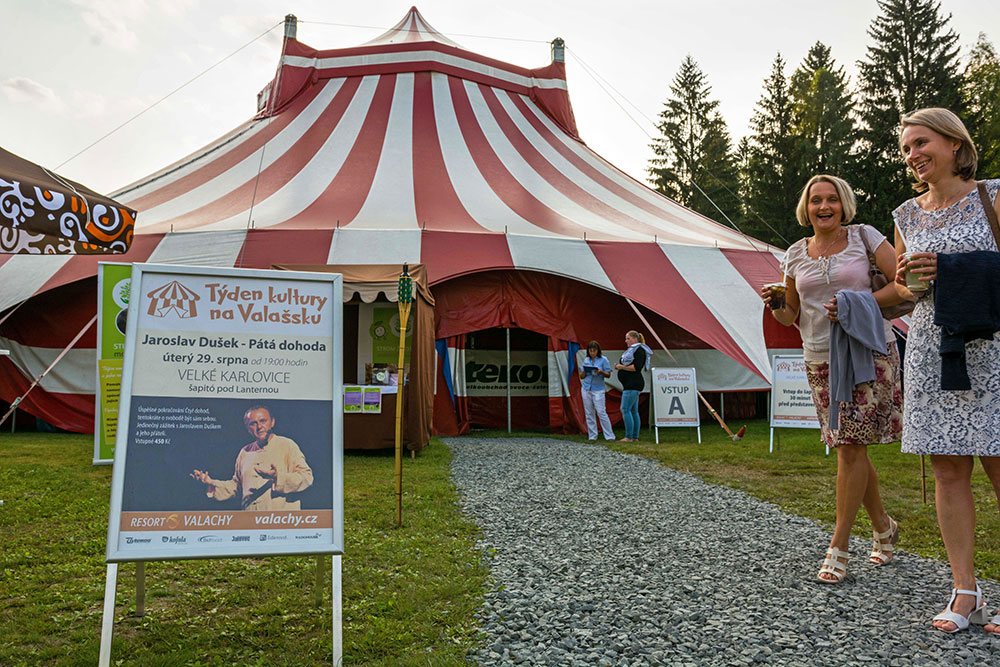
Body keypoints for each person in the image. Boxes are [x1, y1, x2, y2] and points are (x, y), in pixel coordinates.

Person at [762, 174, 906, 584]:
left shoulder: (865, 237)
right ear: (805, 209)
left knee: (849, 448)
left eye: (831, 200)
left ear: (844, 204)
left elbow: (902, 283)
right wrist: (776, 304)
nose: (824, 207)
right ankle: (883, 526)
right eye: (815, 201)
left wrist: (853, 304)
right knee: (850, 447)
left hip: (866, 351)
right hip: (820, 357)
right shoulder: (793, 253)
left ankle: (839, 545)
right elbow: (791, 316)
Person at [892, 107, 1000, 634]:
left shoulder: (994, 197)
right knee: (948, 469)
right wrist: (869, 295)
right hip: (932, 349)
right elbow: (904, 291)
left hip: (993, 347)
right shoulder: (906, 215)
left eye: (921, 142)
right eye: (907, 148)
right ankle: (966, 593)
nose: (912, 155)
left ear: (955, 144)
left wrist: (954, 267)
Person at [190, 405, 314, 510]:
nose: (259, 427)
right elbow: (237, 487)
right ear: (248, 429)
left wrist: (278, 478)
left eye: (263, 421)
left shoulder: (287, 445)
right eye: (253, 424)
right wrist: (211, 483)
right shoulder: (245, 452)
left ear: (272, 422)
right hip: (250, 521)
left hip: (279, 522)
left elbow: (306, 477)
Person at [614, 330, 649, 442]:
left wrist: (621, 367)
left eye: (628, 338)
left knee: (625, 409)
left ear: (635, 339)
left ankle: (629, 436)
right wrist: (619, 367)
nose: (626, 341)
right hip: (630, 384)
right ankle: (634, 437)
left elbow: (636, 367)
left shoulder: (639, 350)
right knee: (633, 411)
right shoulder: (631, 351)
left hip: (633, 384)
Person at [579, 340, 615, 441]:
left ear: (597, 351)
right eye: (590, 351)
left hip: (598, 388)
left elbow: (608, 374)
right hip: (586, 388)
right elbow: (581, 376)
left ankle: (609, 436)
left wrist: (600, 371)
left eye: (594, 351)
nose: (592, 353)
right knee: (589, 412)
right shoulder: (586, 360)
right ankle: (592, 436)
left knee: (601, 412)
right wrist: (585, 371)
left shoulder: (604, 360)